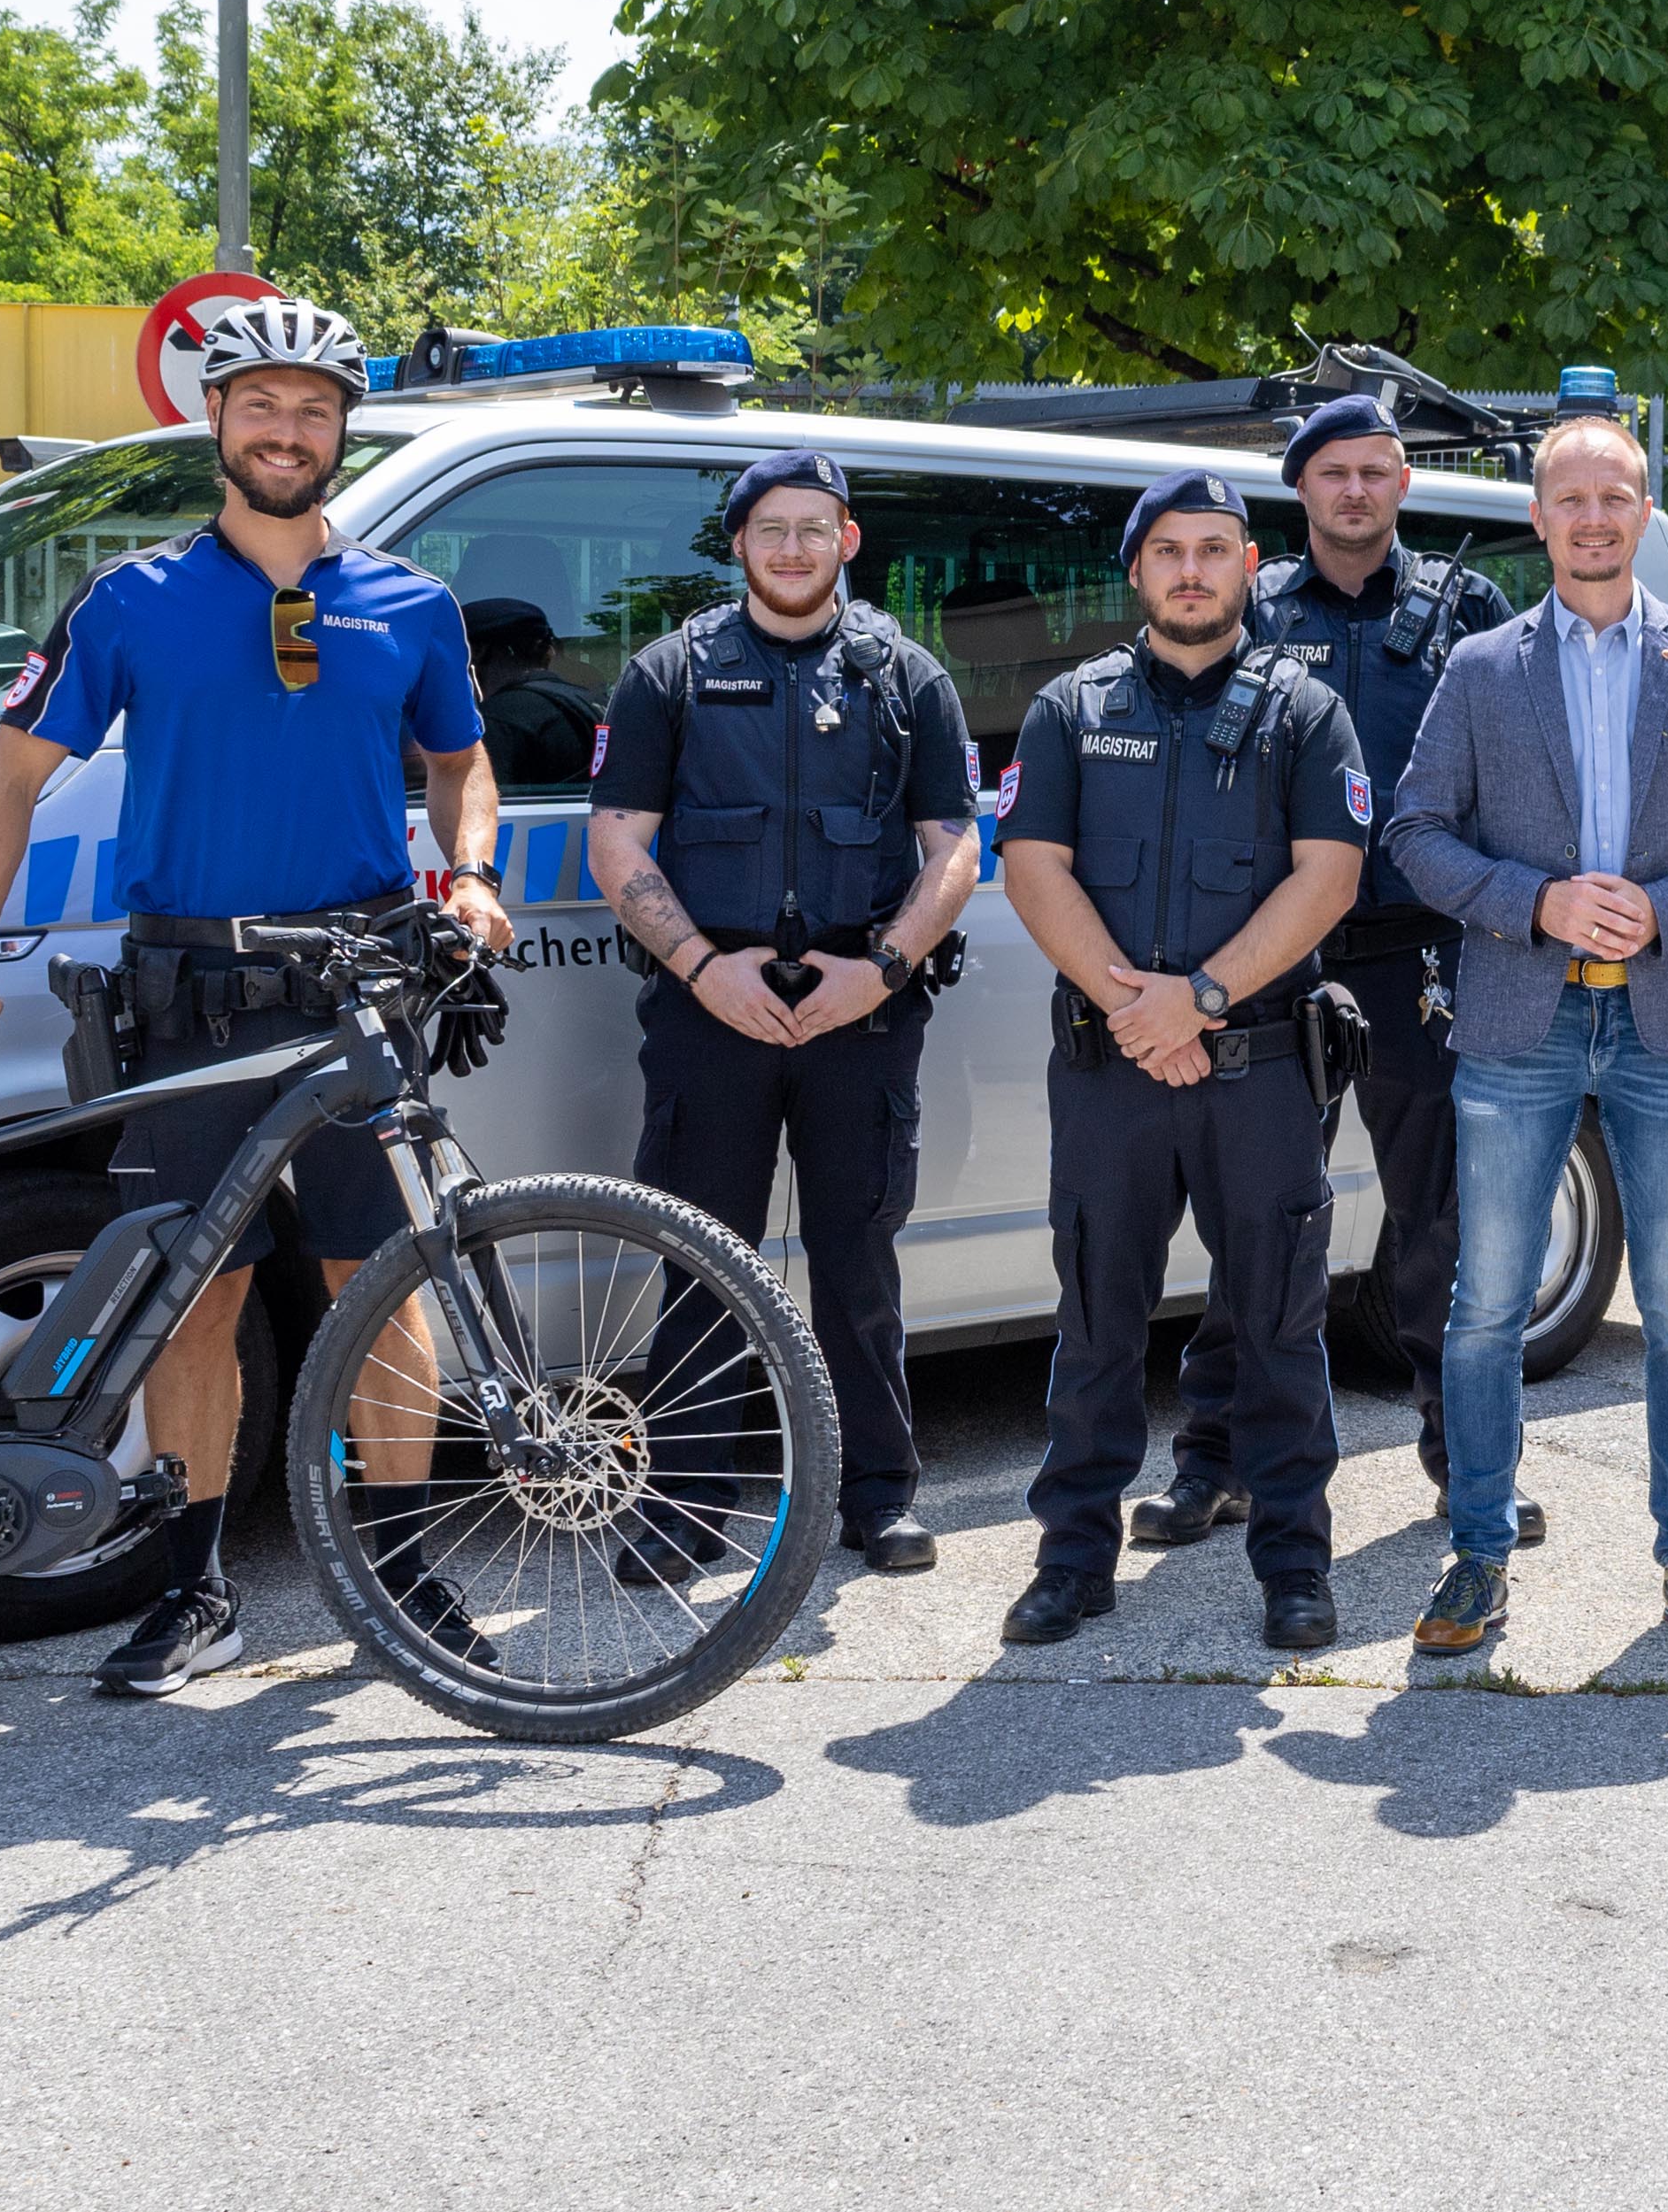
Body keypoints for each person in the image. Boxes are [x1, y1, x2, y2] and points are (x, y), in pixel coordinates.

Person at [0, 294, 515, 1698]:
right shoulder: (131, 602)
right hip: (187, 981)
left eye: (312, 409)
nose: (286, 430)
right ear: (216, 423)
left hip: (356, 975)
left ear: (341, 430)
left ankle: (400, 1572)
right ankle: (195, 1592)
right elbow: (6, 781)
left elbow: (460, 761)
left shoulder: (411, 602)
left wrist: (467, 868)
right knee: (193, 1297)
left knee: (380, 1280)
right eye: (260, 406)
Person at [1384, 415, 1668, 1660]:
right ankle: (1475, 1550)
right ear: (1538, 518)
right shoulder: (1481, 668)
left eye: (1613, 497)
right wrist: (1535, 899)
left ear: (1643, 509)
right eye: (1568, 499)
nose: (1591, 519)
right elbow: (1415, 831)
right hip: (1522, 1007)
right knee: (1485, 1303)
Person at [586, 450, 985, 1577]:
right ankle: (686, 1502)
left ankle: (877, 1494)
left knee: (859, 1258)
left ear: (848, 540)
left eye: (816, 526)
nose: (795, 547)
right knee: (703, 1256)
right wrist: (706, 968)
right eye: (772, 528)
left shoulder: (907, 678)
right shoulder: (668, 670)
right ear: (740, 543)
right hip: (712, 1010)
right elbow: (616, 837)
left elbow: (953, 846)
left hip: (860, 1010)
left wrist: (888, 967)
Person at [1141, 394, 1525, 1553]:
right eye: (1332, 473)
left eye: (1375, 471)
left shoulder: (1465, 610)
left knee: (1437, 1232)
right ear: (1298, 490)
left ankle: (1468, 1469)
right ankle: (1214, 1460)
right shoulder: (1247, 610)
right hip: (1274, 961)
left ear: (1401, 482)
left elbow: (1515, 775)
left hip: (1421, 959)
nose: (1355, 492)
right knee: (1259, 1225)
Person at [995, 471, 1371, 1653]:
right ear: (1137, 570)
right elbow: (1034, 867)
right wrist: (1135, 1010)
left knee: (1276, 1324)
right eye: (1170, 549)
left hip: (1257, 1068)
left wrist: (1200, 999)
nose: (1194, 569)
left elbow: (1329, 874)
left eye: (1215, 548)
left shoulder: (1305, 712)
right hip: (1113, 1071)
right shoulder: (1069, 706)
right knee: (1098, 1320)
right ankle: (1070, 1562)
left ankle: (1294, 1567)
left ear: (1249, 565)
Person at [462, 597, 603, 787]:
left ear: (477, 652)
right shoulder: (594, 703)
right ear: (548, 652)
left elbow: (480, 804)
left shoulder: (497, 721)